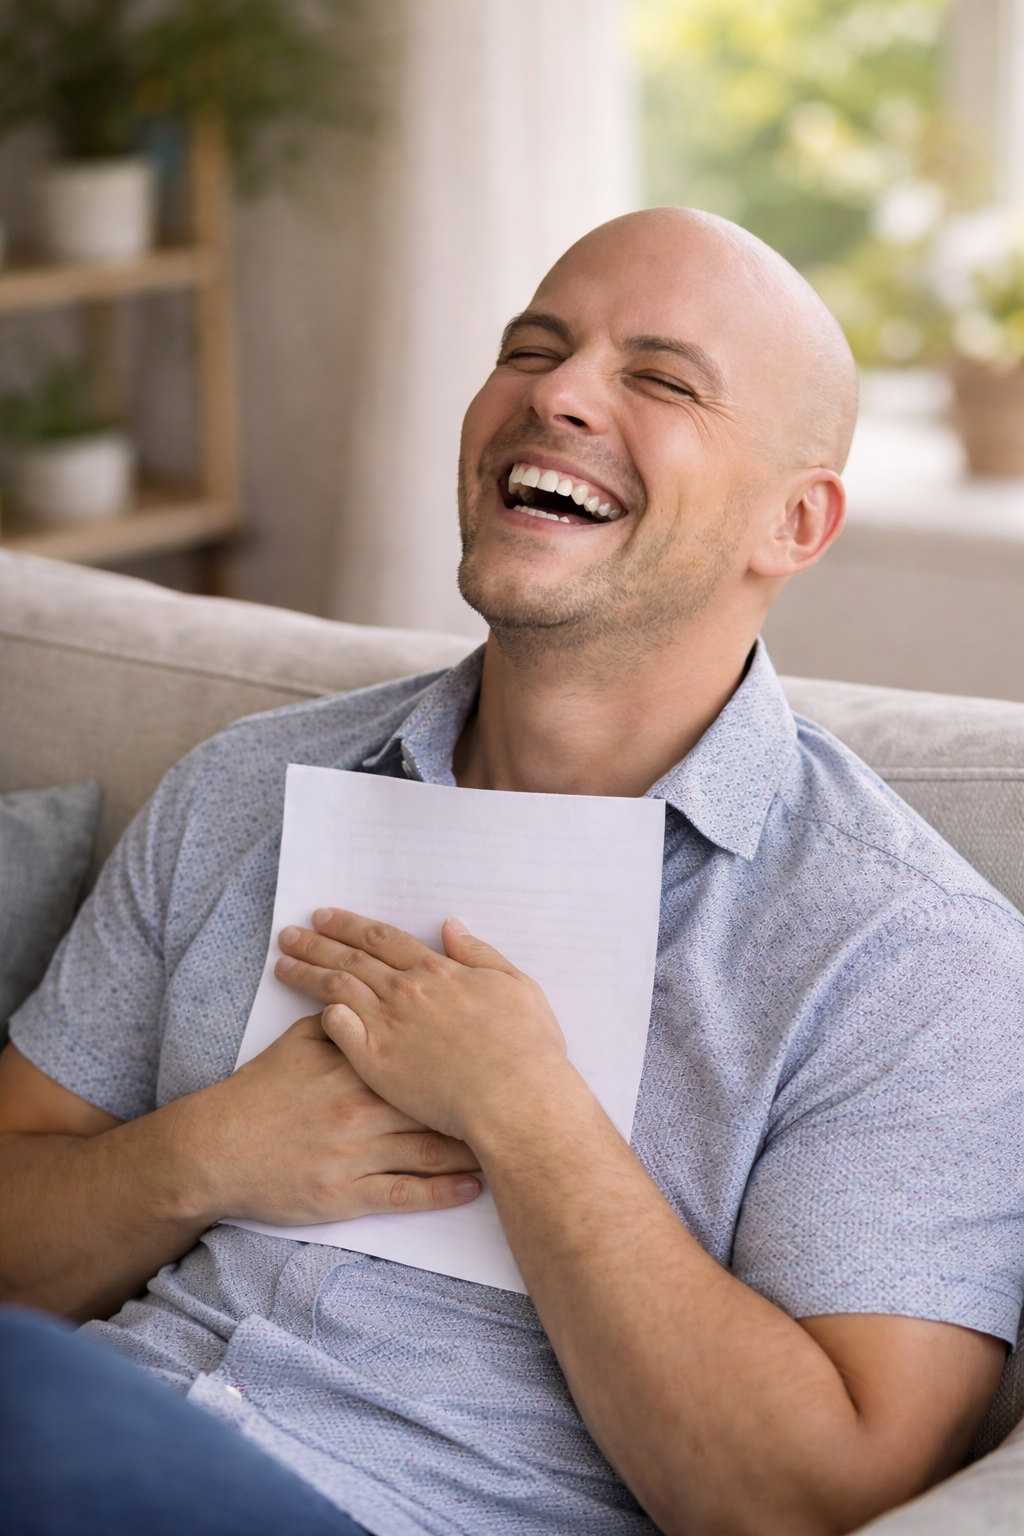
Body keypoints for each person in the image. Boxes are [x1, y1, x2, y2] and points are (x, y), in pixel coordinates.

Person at [1, 208, 1022, 1536]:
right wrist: (201, 1156)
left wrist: (527, 1117)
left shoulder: (916, 957)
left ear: (797, 520)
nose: (557, 394)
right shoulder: (243, 786)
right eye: (532, 349)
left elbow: (814, 1503)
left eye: (658, 378)